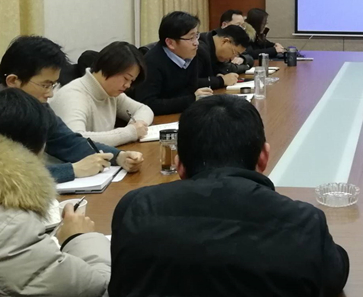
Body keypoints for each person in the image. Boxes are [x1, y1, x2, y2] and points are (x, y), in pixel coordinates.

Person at [109, 95, 350, 297]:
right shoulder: (304, 222)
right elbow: (334, 276)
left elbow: (120, 285)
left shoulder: (134, 208)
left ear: (179, 165)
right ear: (264, 158)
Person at [0, 88, 111, 297]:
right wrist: (79, 238)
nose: (50, 93)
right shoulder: (12, 227)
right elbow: (100, 288)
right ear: (38, 149)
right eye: (46, 84)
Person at [0, 36, 143, 183]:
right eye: (45, 85)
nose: (50, 94)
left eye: (53, 85)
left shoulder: (39, 106)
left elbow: (68, 141)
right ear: (13, 81)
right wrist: (72, 170)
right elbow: (7, 174)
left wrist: (118, 156)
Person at [50, 42, 154, 147]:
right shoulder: (73, 96)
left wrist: (136, 125)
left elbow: (144, 109)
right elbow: (75, 140)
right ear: (109, 67)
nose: (128, 85)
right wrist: (130, 133)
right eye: (126, 78)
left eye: (131, 81)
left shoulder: (111, 93)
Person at [133, 12, 213, 115]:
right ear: (170, 43)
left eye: (196, 36)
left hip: (180, 114)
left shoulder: (190, 54)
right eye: (191, 38)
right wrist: (192, 99)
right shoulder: (151, 63)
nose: (196, 43)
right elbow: (148, 104)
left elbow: (191, 88)